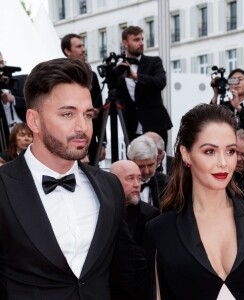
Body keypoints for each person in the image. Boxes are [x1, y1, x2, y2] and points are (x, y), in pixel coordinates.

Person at [0, 58, 146, 299]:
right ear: (34, 121)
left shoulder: (109, 187)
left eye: (88, 115)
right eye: (68, 114)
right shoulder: (4, 186)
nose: (83, 127)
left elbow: (127, 272)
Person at [145, 104, 244, 299]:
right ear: (186, 154)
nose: (223, 162)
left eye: (230, 151)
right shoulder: (160, 230)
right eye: (210, 151)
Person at [117, 26, 172, 147]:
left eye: (142, 39)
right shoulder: (119, 68)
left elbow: (160, 82)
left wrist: (136, 76)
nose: (141, 43)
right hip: (131, 128)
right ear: (125, 43)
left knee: (159, 163)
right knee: (134, 165)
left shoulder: (154, 62)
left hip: (156, 125)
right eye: (136, 40)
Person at [61, 34, 105, 166]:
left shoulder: (92, 75)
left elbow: (101, 109)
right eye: (79, 46)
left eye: (83, 45)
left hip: (91, 141)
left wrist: (102, 142)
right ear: (67, 51)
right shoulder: (60, 75)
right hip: (67, 140)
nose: (83, 49)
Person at [211, 68, 244, 163]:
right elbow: (210, 119)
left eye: (240, 79)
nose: (237, 83)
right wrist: (216, 94)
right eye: (233, 80)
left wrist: (238, 107)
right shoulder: (224, 107)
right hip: (226, 159)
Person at [110, 160, 159, 246]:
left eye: (139, 178)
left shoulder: (150, 215)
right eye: (130, 178)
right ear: (113, 180)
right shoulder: (102, 209)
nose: (137, 184)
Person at [127, 135, 169, 208]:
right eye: (141, 166)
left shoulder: (168, 183)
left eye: (150, 165)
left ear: (156, 159)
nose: (146, 171)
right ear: (130, 161)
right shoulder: (122, 185)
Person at [0, 51, 27, 152]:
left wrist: (14, 99)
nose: (1, 66)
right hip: (4, 136)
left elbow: (34, 103)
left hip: (26, 130)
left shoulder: (21, 81)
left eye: (2, 62)